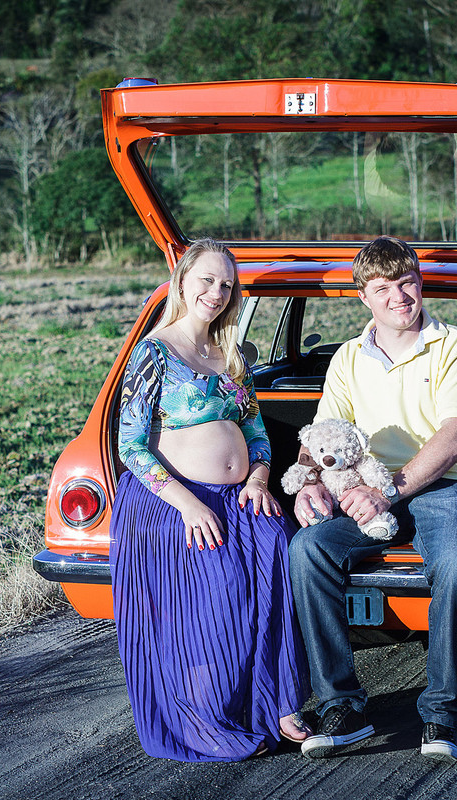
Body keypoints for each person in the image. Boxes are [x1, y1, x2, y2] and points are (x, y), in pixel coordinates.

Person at [290, 235, 457, 763]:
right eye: (383, 288)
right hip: (372, 488)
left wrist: (386, 493)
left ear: (420, 283)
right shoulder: (347, 358)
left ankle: (442, 716)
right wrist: (312, 480)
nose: (398, 297)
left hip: (454, 484)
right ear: (365, 297)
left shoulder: (453, 344)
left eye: (406, 283)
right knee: (307, 550)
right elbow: (320, 434)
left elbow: (456, 436)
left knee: (453, 563)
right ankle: (342, 706)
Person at [109, 238, 311, 762]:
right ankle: (207, 714)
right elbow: (129, 446)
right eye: (207, 279)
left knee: (279, 555)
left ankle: (282, 706)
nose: (217, 292)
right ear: (182, 282)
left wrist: (259, 480)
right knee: (219, 595)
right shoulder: (154, 353)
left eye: (226, 284)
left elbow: (259, 435)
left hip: (240, 495)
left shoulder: (230, 355)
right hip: (176, 500)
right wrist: (188, 505)